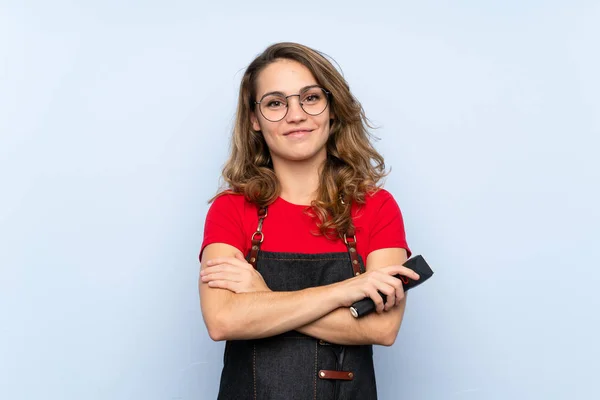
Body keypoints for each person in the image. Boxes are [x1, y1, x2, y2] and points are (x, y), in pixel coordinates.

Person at [198, 42, 419, 400]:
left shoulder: (377, 207)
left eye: (311, 98)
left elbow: (383, 327)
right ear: (254, 119)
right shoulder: (231, 208)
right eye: (275, 103)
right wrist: (341, 293)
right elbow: (223, 319)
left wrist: (262, 299)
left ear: (332, 109)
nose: (295, 115)